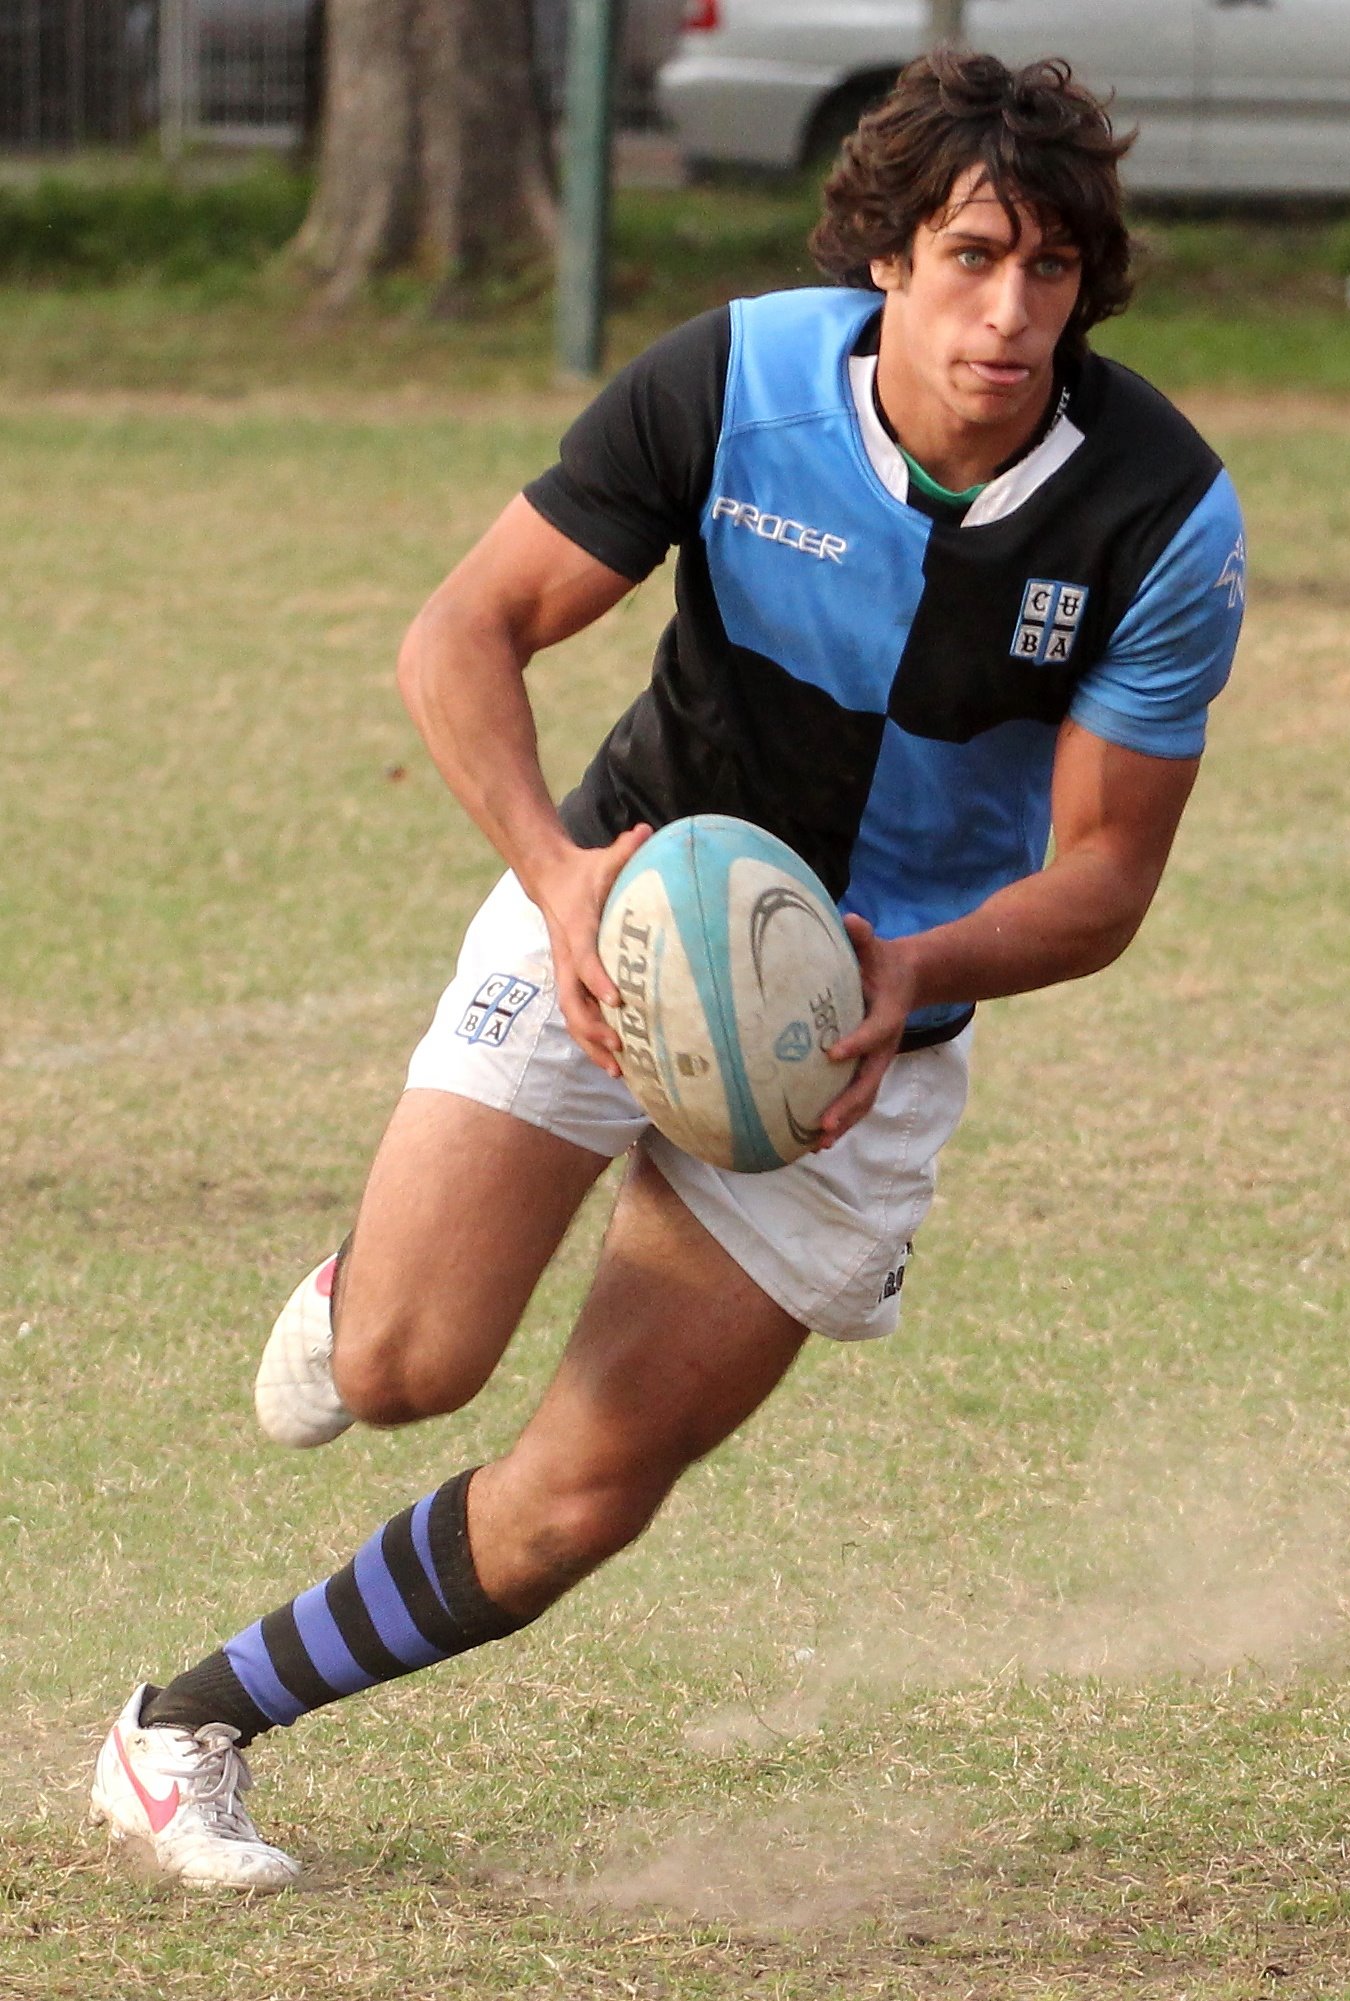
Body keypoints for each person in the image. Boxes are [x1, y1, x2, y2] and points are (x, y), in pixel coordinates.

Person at [89, 48, 1245, 1889]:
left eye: (1050, 273)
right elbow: (463, 629)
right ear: (890, 257)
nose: (1008, 311)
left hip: (862, 1034)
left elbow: (1108, 876)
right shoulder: (732, 385)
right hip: (619, 914)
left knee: (579, 1498)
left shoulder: (1157, 518)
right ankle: (374, 1266)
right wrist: (552, 875)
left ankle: (186, 1724)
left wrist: (906, 967)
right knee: (395, 1362)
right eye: (970, 256)